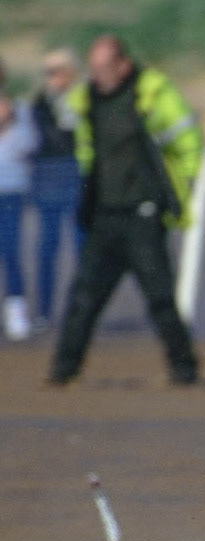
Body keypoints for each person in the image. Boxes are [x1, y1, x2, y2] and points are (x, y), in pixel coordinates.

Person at [47, 36, 203, 386]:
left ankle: (184, 369)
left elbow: (189, 139)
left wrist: (186, 184)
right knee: (84, 296)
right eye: (94, 69)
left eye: (104, 68)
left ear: (123, 65)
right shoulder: (86, 98)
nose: (98, 76)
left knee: (160, 297)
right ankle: (63, 370)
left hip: (144, 214)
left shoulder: (152, 93)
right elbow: (56, 112)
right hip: (104, 214)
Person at [30, 48, 84, 333]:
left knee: (81, 248)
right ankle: (44, 312)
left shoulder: (81, 100)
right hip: (48, 181)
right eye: (47, 72)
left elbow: (73, 137)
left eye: (55, 71)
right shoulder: (41, 103)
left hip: (76, 178)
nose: (50, 78)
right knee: (47, 248)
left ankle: (81, 312)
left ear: (69, 72)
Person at [0, 87, 37, 342]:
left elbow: (30, 144)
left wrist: (9, 122)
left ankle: (16, 312)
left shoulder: (19, 109)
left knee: (11, 249)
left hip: (12, 191)